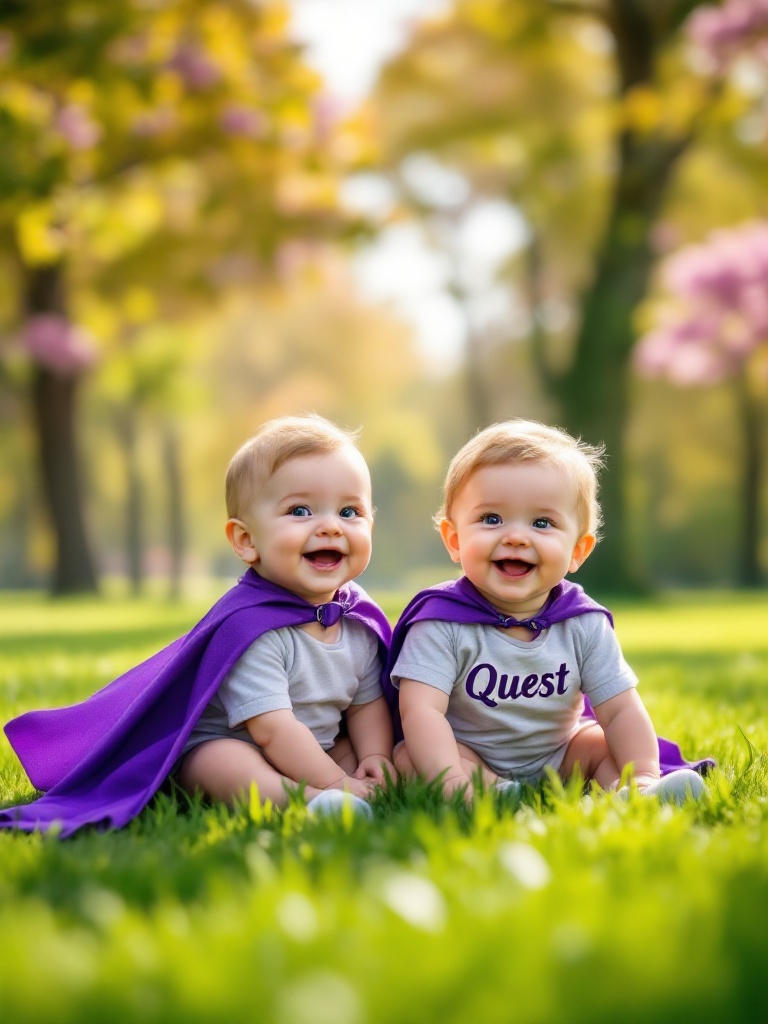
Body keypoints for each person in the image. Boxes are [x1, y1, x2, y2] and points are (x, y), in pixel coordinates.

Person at [1, 415, 393, 836]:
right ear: (246, 541)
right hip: (245, 744)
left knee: (355, 747)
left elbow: (367, 702)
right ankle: (311, 800)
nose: (331, 525)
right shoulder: (252, 629)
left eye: (349, 511)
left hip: (317, 744)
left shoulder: (357, 619)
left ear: (370, 524)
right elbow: (273, 730)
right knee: (219, 762)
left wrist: (376, 755)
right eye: (300, 510)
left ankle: (347, 785)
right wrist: (336, 781)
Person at [387, 419, 711, 804]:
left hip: (560, 755)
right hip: (470, 754)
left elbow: (621, 709)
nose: (516, 536)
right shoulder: (442, 622)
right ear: (455, 540)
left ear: (578, 550)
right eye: (491, 519)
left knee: (598, 741)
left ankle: (637, 793)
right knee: (410, 755)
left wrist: (643, 769)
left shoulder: (582, 622)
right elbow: (421, 711)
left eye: (543, 522)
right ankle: (488, 794)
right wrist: (453, 779)